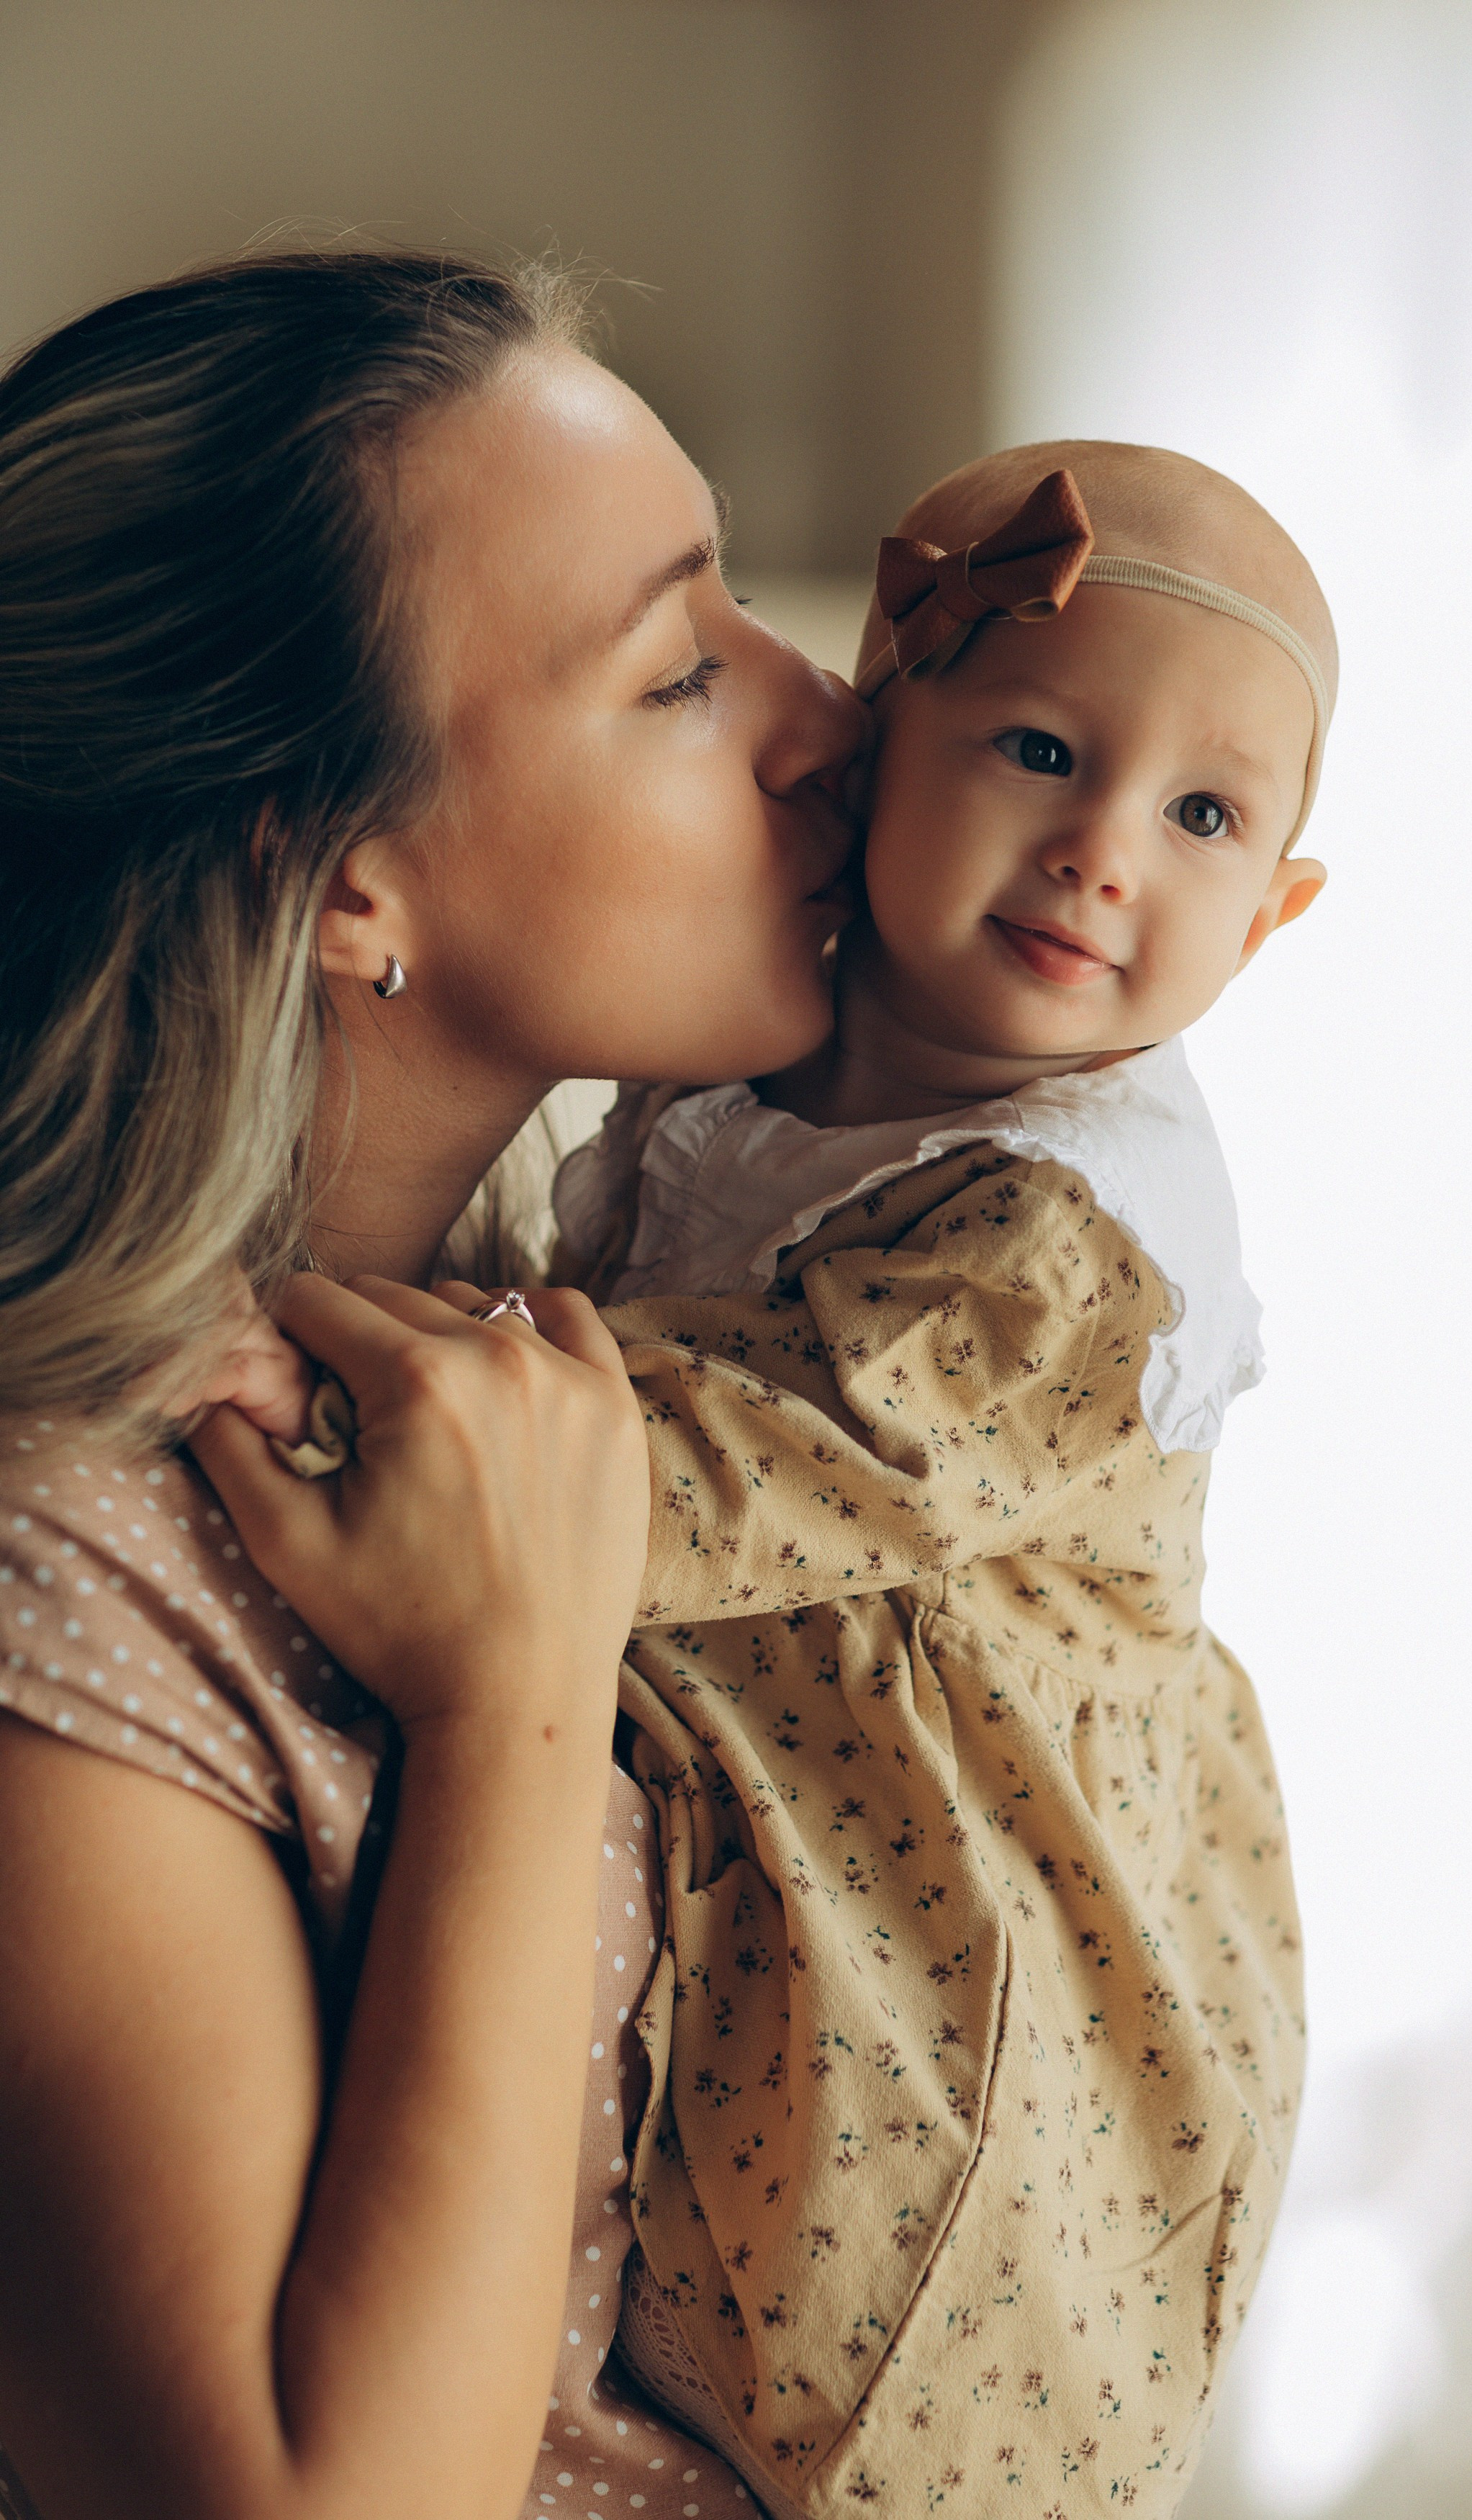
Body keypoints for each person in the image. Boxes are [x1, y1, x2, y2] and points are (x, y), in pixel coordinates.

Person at [0, 245, 862, 2520]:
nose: (830, 714)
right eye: (682, 670)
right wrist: (510, 1712)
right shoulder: (61, 1564)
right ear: (345, 883)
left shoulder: (560, 1325)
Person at [518, 447, 1332, 2517]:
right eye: (1042, 748)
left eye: (1203, 817)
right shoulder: (777, 1022)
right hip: (771, 1747)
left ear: (1274, 917)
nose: (1100, 852)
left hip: (972, 1863)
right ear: (875, 754)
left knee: (889, 2329)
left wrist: (406, 1381)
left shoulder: (1075, 1229)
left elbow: (724, 1464)